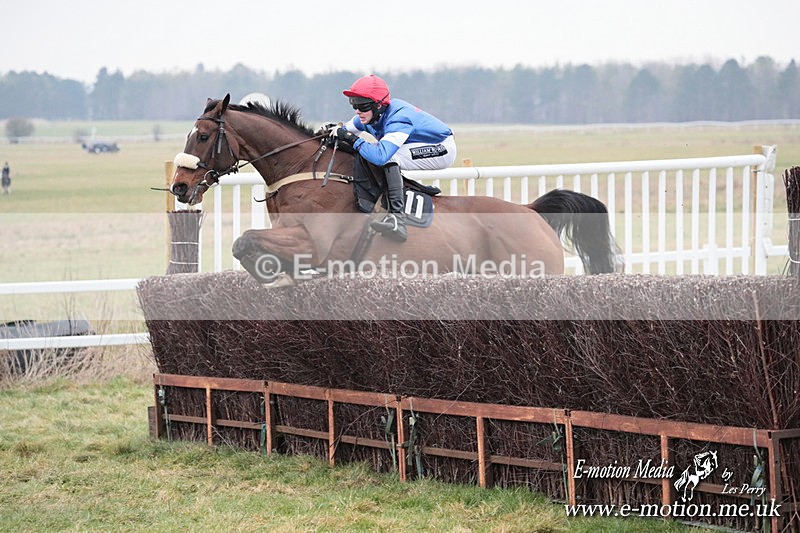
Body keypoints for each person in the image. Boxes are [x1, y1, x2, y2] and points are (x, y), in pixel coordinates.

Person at [325, 74, 456, 242]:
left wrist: (351, 138)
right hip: (413, 145)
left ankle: (397, 220)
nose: (358, 111)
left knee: (389, 157)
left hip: (442, 148)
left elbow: (380, 156)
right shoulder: (367, 116)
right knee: (375, 152)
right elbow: (344, 130)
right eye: (354, 105)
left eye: (363, 105)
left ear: (379, 105)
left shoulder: (399, 118)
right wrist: (332, 130)